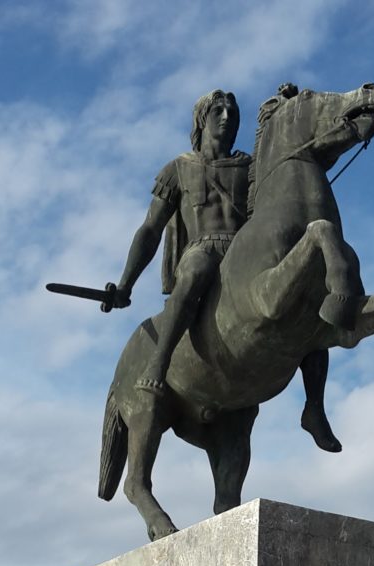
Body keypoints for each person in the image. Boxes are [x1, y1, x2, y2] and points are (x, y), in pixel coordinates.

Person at [113, 88, 341, 451]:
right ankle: (158, 365)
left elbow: (292, 162)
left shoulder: (250, 167)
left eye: (232, 112)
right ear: (202, 119)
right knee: (195, 276)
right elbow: (150, 229)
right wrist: (125, 284)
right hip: (203, 249)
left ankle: (314, 407)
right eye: (217, 110)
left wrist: (287, 111)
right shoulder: (178, 170)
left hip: (247, 253)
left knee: (305, 304)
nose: (226, 117)